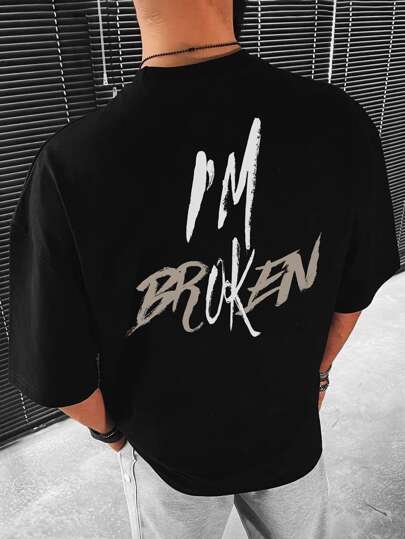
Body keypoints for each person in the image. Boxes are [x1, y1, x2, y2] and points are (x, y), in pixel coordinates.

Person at [8, 1, 400, 538]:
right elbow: (353, 294)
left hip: (166, 457)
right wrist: (319, 372)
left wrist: (113, 435)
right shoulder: (340, 122)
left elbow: (59, 376)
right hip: (289, 434)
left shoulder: (68, 165)